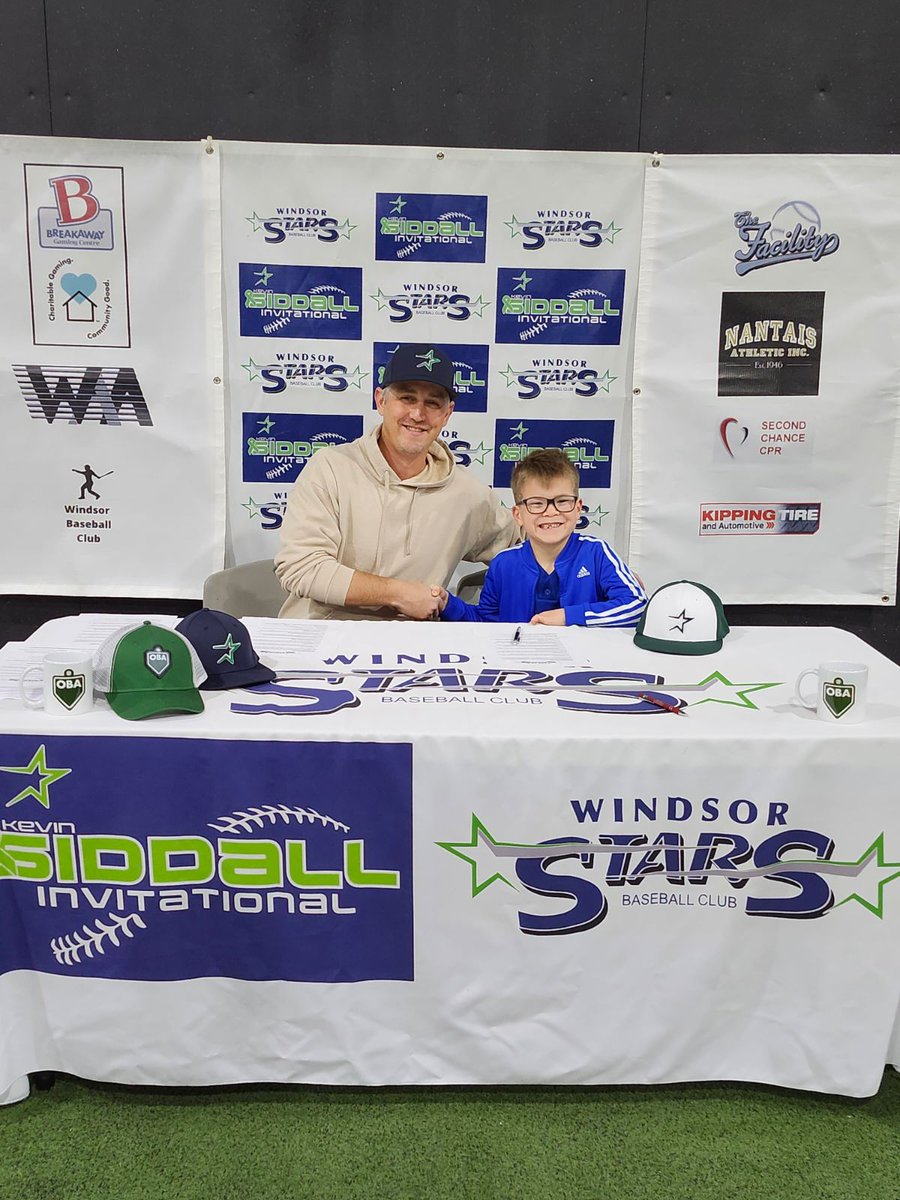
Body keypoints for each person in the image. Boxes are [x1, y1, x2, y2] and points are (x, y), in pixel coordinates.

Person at [275, 344, 520, 620]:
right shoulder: (330, 468)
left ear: (447, 413)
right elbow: (301, 567)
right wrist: (399, 594)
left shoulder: (468, 492)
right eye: (406, 398)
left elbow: (529, 547)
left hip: (414, 651)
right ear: (381, 401)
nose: (417, 414)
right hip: (319, 642)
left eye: (432, 403)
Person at [439, 448, 646, 626]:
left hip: (584, 666)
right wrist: (448, 604)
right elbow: (486, 622)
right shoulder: (503, 563)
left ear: (578, 508)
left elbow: (637, 605)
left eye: (562, 501)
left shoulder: (596, 553)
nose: (550, 512)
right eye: (537, 503)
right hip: (520, 666)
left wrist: (568, 616)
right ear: (518, 515)